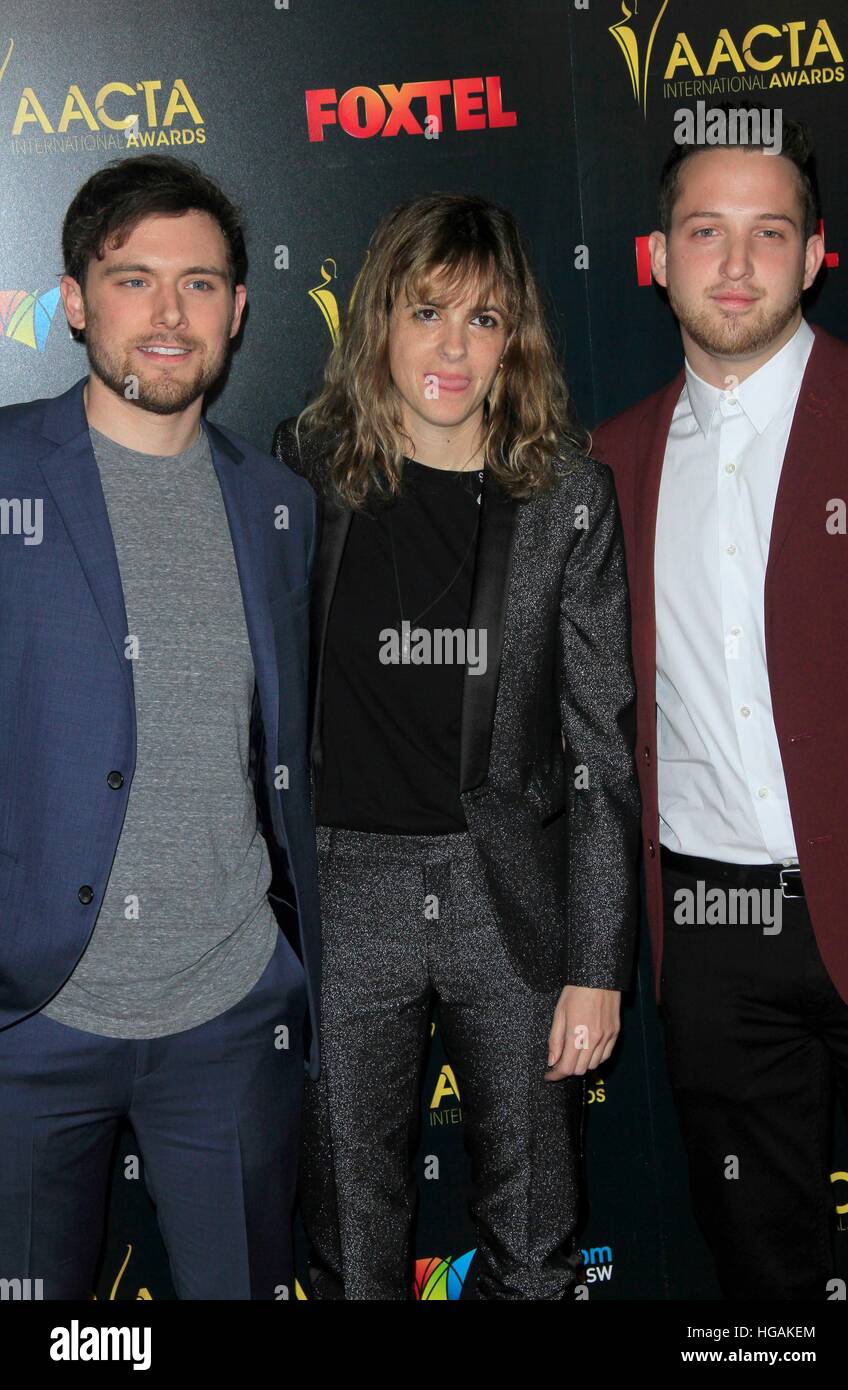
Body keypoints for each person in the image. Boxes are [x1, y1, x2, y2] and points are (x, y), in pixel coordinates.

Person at [273, 192, 640, 1300]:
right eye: (427, 311)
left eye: (482, 321)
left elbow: (601, 743)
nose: (450, 347)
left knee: (534, 1248)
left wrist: (595, 962)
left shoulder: (565, 495)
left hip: (507, 895)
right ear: (381, 315)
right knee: (351, 1242)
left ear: (512, 341)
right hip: (346, 889)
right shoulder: (305, 471)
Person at [0, 154, 320, 1299]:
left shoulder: (280, 504)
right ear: (77, 300)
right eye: (133, 280)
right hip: (28, 1023)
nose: (168, 314)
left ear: (238, 308)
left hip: (231, 1015)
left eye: (199, 283)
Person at [591, 108, 848, 1300]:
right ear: (656, 258)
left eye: (770, 232)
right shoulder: (603, 465)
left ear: (814, 255)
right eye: (705, 231)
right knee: (760, 1276)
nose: (738, 264)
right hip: (710, 936)